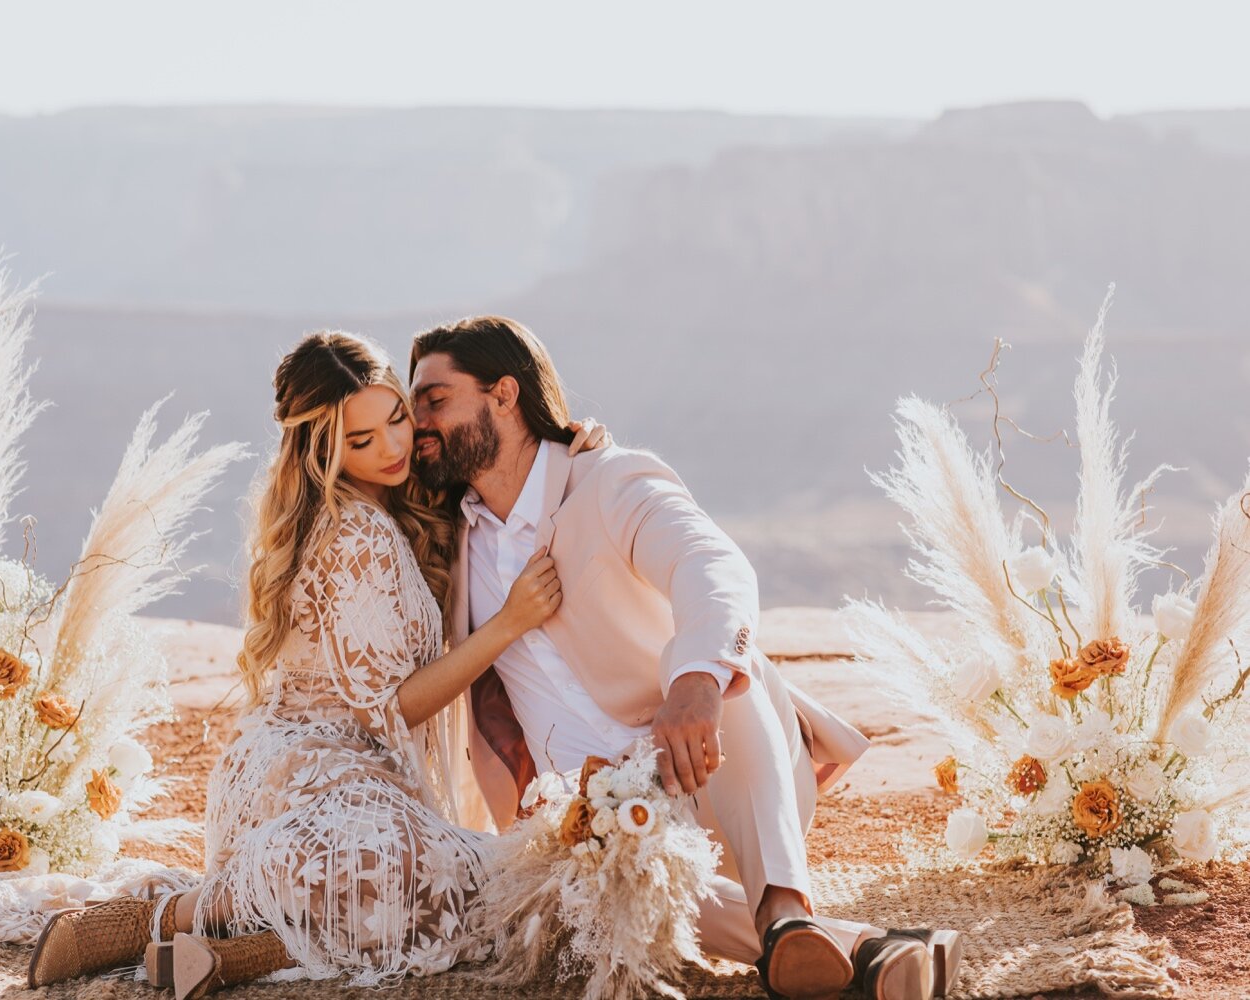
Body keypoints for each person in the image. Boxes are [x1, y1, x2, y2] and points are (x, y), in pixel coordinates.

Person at [28, 331, 605, 999]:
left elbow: (498, 467)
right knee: (479, 886)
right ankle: (151, 919)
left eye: (396, 418)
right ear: (323, 450)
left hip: (310, 781)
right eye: (360, 442)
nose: (391, 447)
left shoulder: (399, 494)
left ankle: (238, 955)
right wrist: (508, 626)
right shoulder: (354, 534)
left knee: (467, 892)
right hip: (316, 784)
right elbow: (392, 708)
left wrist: (564, 444)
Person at [408, 315, 962, 1000]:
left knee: (733, 673)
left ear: (503, 395)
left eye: (435, 399)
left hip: (714, 779)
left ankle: (787, 905)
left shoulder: (607, 481)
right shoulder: (444, 536)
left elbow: (710, 563)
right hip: (597, 832)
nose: (419, 421)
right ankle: (860, 953)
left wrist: (695, 683)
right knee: (594, 889)